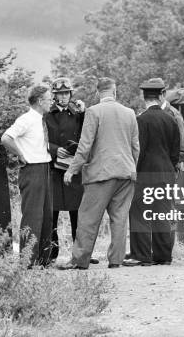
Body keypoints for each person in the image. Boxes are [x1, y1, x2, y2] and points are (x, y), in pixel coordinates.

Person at [59, 78, 139, 270]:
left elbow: (85, 146)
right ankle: (116, 260)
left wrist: (72, 169)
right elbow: (136, 147)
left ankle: (79, 260)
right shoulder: (130, 113)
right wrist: (131, 167)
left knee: (88, 217)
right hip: (126, 173)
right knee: (120, 218)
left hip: (101, 174)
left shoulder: (94, 112)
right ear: (115, 91)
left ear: (97, 93)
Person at [124, 79, 181, 266]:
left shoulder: (141, 120)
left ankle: (141, 255)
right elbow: (175, 152)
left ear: (144, 97)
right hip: (166, 174)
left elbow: (139, 150)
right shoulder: (171, 119)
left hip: (145, 174)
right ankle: (163, 256)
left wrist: (135, 170)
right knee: (161, 214)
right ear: (160, 95)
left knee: (140, 213)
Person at [45, 77, 98, 264]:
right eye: (60, 94)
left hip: (73, 167)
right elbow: (39, 138)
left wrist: (84, 113)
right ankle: (51, 254)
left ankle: (81, 253)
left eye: (66, 93)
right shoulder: (46, 115)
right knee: (53, 213)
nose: (64, 96)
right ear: (54, 96)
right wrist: (52, 148)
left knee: (78, 213)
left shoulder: (77, 113)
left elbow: (88, 132)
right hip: (53, 168)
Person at [1, 85, 53, 267]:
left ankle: (43, 260)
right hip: (32, 170)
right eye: (49, 99)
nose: (51, 101)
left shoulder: (40, 119)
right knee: (33, 216)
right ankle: (27, 261)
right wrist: (20, 154)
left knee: (47, 216)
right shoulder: (27, 119)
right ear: (40, 101)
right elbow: (6, 138)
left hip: (45, 168)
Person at [144, 78, 184, 158]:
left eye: (155, 94)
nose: (152, 98)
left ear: (164, 94)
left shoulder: (174, 115)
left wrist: (169, 164)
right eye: (149, 94)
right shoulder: (143, 117)